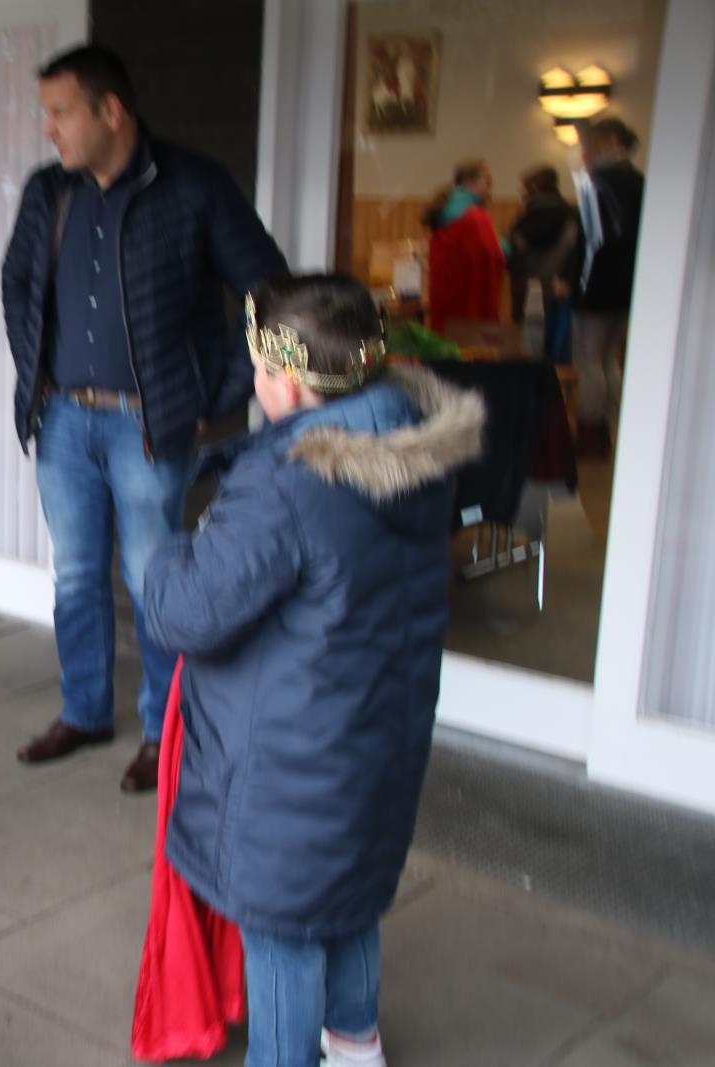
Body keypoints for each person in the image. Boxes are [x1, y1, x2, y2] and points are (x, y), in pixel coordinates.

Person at [143, 274, 485, 1067]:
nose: (254, 382)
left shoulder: (287, 483)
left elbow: (188, 611)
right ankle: (357, 1045)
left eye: (260, 368)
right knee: (348, 898)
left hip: (291, 760)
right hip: (374, 735)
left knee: (284, 927)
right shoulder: (413, 446)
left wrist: (170, 549)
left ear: (289, 381)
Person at [2, 43, 286, 792]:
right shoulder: (48, 192)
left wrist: (219, 393)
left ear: (111, 111)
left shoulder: (193, 185)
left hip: (149, 424)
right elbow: (18, 283)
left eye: (60, 112)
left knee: (154, 578)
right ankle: (84, 710)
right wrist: (35, 373)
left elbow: (269, 290)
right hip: (62, 420)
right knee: (77, 575)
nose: (49, 129)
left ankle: (166, 730)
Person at [571, 116, 645, 457]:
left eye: (588, 146)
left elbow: (590, 240)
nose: (585, 152)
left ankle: (591, 432)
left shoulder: (596, 183)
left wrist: (576, 281)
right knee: (610, 358)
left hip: (597, 283)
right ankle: (617, 428)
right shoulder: (639, 181)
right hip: (627, 283)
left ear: (607, 143)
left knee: (589, 360)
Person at [505, 164, 581, 361]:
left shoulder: (533, 215)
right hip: (560, 284)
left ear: (534, 188)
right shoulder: (570, 212)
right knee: (557, 342)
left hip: (532, 284)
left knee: (529, 344)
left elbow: (515, 247)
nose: (520, 191)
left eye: (523, 187)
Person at [424, 159, 505, 332]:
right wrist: (507, 247)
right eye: (487, 180)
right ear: (468, 182)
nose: (490, 186)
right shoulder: (475, 217)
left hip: (445, 293)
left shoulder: (446, 207)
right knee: (469, 340)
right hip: (469, 297)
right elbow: (490, 254)